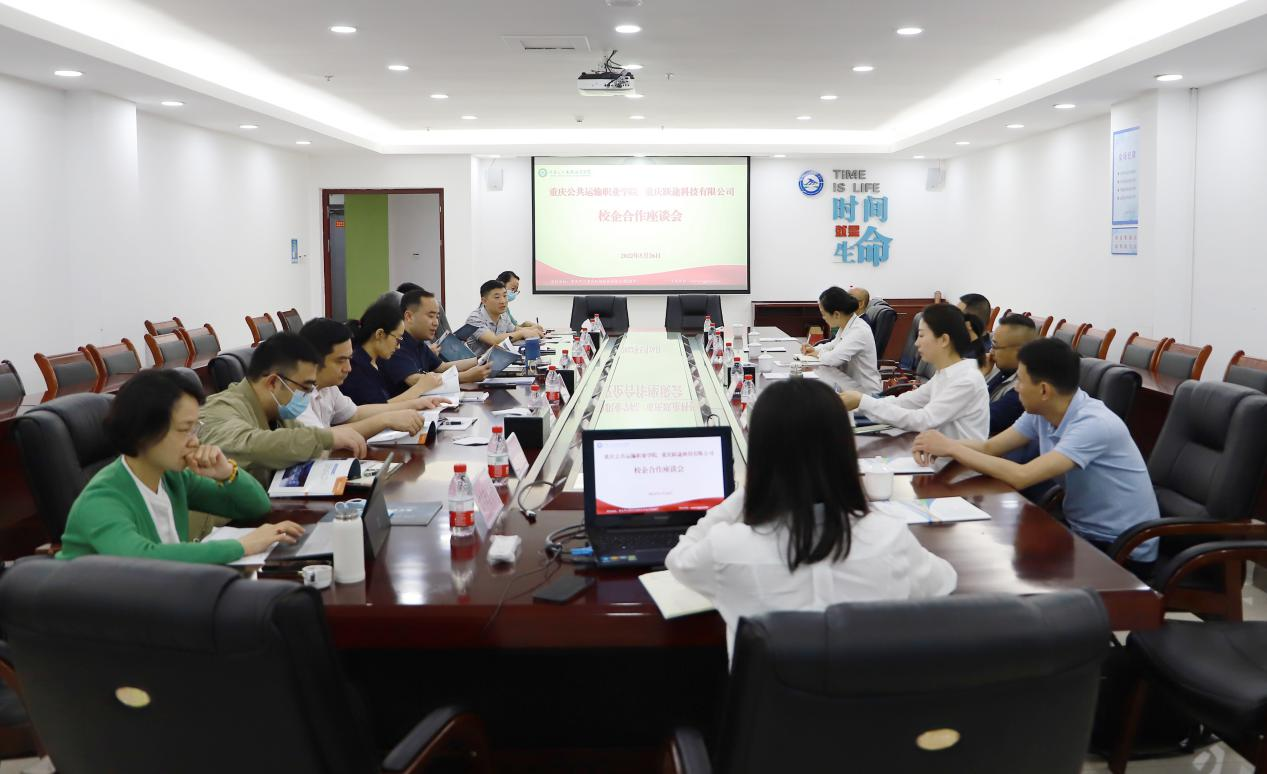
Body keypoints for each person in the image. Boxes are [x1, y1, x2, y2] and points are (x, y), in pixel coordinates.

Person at [665, 378, 956, 660]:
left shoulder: (728, 549)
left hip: (768, 697)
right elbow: (943, 583)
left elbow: (679, 559)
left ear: (761, 455)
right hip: (867, 694)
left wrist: (749, 492)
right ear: (845, 452)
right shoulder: (889, 538)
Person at [911, 337, 1160, 572]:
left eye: (1020, 380)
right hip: (1080, 531)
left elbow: (1022, 476)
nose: (1016, 387)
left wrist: (952, 448)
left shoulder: (1093, 424)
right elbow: (990, 447)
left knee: (1001, 564)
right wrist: (943, 444)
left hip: (1122, 548)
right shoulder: (1041, 412)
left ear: (1043, 390)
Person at [58, 370, 305, 563]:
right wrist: (243, 546)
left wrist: (227, 473)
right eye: (185, 430)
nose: (195, 441)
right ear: (143, 432)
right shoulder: (102, 500)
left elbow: (256, 507)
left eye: (195, 428)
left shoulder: (172, 478)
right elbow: (143, 559)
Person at [200, 333, 368, 484]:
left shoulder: (278, 412)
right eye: (305, 387)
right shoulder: (219, 410)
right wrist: (327, 437)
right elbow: (251, 445)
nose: (309, 395)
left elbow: (311, 448)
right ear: (273, 383)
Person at [840, 303, 990, 441]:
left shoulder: (966, 379)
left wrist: (863, 401)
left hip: (958, 461)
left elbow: (923, 420)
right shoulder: (945, 373)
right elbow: (905, 402)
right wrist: (860, 403)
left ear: (944, 340)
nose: (917, 343)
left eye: (921, 335)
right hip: (939, 454)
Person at [296, 317, 448, 434]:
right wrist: (385, 420)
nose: (348, 368)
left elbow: (355, 414)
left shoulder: (328, 387)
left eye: (349, 359)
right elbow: (320, 438)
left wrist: (416, 404)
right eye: (340, 361)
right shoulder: (294, 395)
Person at [340, 299, 449, 405]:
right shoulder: (356, 366)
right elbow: (378, 408)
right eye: (398, 340)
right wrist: (420, 388)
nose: (398, 346)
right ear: (380, 334)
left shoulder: (375, 361)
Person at [383, 289, 491, 393]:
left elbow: (441, 367)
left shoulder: (419, 342)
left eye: (437, 317)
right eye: (430, 316)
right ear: (409, 316)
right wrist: (465, 377)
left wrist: (480, 359)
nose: (436, 323)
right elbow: (415, 380)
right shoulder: (397, 343)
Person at [799, 286, 880, 394]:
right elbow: (833, 345)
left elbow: (833, 359)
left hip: (866, 393)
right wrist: (814, 349)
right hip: (847, 386)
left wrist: (817, 353)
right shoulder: (847, 324)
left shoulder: (859, 331)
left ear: (836, 314)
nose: (823, 318)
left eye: (824, 314)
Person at [984, 314, 1039, 435]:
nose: (990, 351)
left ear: (1020, 351)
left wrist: (976, 378)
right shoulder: (997, 366)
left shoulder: (1023, 389)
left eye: (995, 346)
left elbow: (982, 421)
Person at [464, 279, 544, 356]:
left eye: (505, 296)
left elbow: (514, 330)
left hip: (502, 359)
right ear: (484, 301)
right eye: (497, 297)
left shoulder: (503, 315)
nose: (503, 301)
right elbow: (494, 340)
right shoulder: (474, 318)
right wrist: (523, 333)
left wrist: (533, 329)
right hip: (481, 364)